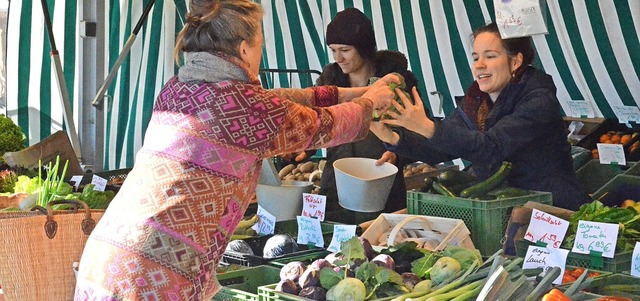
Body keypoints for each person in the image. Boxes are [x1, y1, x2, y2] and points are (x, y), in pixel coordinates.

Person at [73, 1, 399, 300]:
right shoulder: (244, 108)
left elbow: (277, 101)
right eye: (260, 45)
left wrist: (355, 92)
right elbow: (320, 125)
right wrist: (370, 104)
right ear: (244, 48)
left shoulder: (179, 88)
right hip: (152, 274)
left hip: (109, 255)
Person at [371, 22, 591, 211]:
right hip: (504, 206)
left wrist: (427, 127)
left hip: (552, 208)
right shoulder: (476, 100)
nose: (479, 65)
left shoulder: (538, 100)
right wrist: (393, 139)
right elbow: (441, 147)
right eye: (476, 57)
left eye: (490, 56)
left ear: (515, 61)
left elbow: (491, 147)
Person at [315, 7, 421, 214]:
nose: (338, 58)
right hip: (336, 187)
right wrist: (304, 150)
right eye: (333, 50)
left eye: (345, 50)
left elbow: (419, 132)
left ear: (363, 48)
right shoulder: (329, 86)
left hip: (382, 186)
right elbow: (316, 122)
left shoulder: (397, 84)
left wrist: (398, 154)